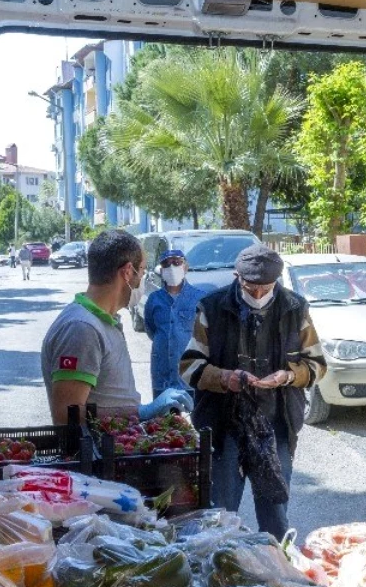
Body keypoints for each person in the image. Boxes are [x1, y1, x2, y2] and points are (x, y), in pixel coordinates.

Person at [179, 244, 325, 539]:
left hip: (277, 424)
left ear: (277, 282)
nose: (258, 295)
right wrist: (225, 378)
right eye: (250, 288)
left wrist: (287, 376)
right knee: (221, 511)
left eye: (265, 288)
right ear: (237, 277)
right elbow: (189, 367)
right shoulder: (211, 307)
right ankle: (220, 565)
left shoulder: (296, 309)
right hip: (224, 425)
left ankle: (275, 568)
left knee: (275, 511)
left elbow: (317, 366)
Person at [42, 230, 193, 426]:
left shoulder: (103, 321)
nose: (143, 280)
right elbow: (66, 416)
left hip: (119, 447)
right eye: (142, 270)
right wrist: (141, 412)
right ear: (128, 272)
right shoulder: (81, 329)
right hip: (96, 454)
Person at [144, 249, 206, 398]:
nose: (171, 267)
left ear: (185, 267)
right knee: (164, 420)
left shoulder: (199, 298)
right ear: (161, 270)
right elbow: (151, 330)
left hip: (190, 374)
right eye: (166, 264)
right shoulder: (154, 299)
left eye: (176, 263)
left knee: (195, 419)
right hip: (162, 375)